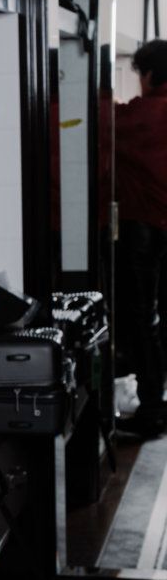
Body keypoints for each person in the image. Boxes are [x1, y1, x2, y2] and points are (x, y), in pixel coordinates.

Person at [114, 39, 167, 438]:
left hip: (147, 230)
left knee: (143, 318)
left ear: (148, 75)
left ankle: (152, 411)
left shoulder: (143, 115)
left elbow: (100, 122)